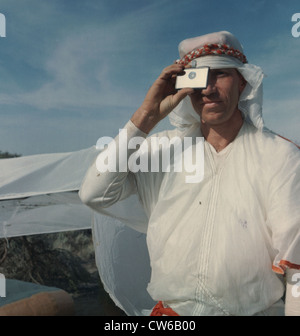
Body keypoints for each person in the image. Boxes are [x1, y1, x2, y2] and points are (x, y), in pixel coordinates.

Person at [79, 31, 300, 316]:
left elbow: (296, 269)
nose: (208, 89)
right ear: (184, 86)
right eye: (197, 78)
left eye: (219, 74)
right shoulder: (162, 150)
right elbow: (93, 193)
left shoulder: (280, 156)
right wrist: (146, 117)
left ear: (242, 82)